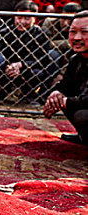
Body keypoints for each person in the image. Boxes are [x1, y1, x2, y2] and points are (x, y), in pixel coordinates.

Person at [0, 0, 56, 103]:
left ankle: (29, 96)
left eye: (27, 18)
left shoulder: (41, 34)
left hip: (29, 68)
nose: (22, 22)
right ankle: (0, 95)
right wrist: (11, 66)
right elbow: (1, 52)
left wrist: (21, 65)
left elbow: (43, 59)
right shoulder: (6, 32)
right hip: (9, 67)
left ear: (35, 18)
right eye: (19, 17)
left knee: (37, 73)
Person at [43, 10, 88, 145]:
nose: (77, 38)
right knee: (59, 98)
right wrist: (56, 93)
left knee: (83, 116)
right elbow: (65, 84)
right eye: (72, 32)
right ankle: (84, 138)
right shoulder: (76, 58)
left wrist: (64, 101)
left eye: (85, 32)